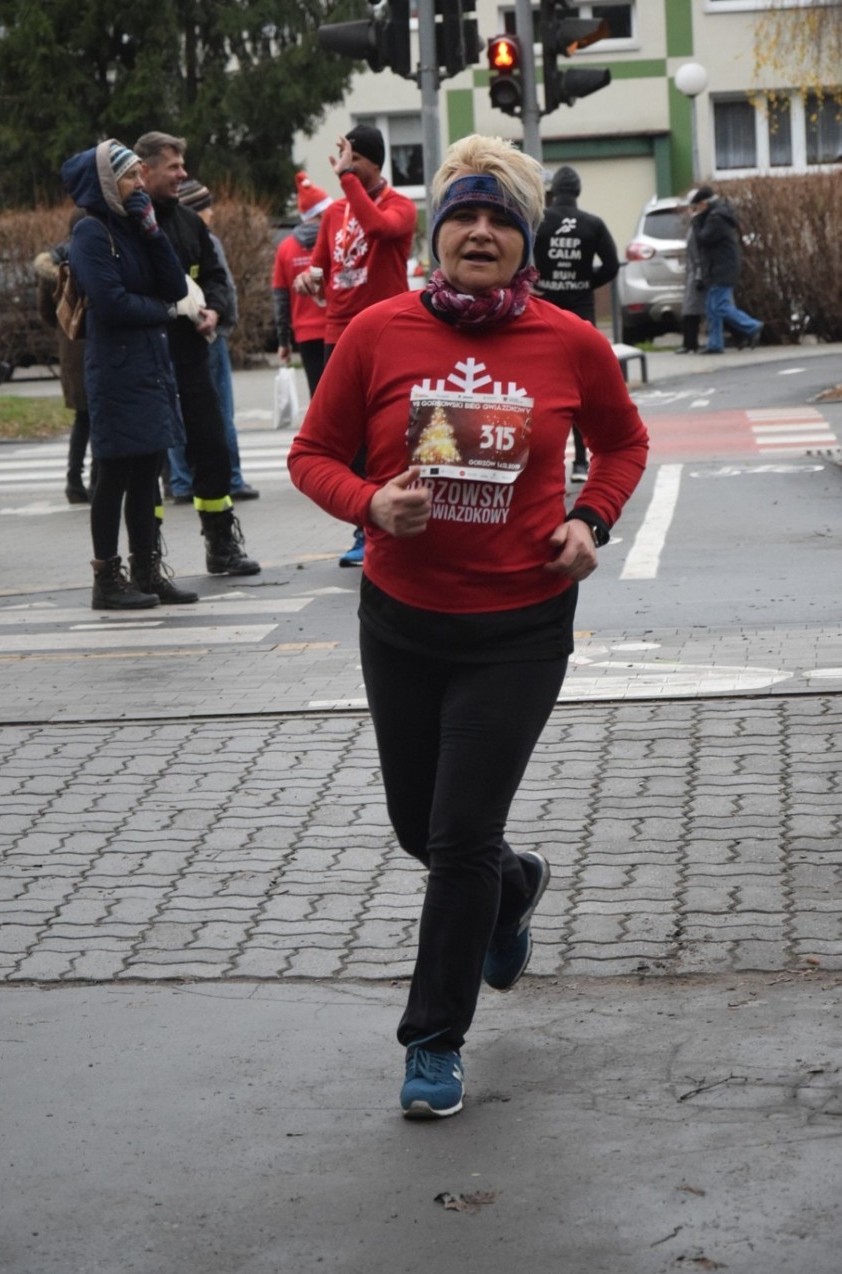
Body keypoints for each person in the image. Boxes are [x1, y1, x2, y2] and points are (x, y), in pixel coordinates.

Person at [288, 134, 649, 1119]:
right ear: (438, 232)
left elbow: (621, 443)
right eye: (464, 216)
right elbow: (312, 453)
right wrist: (369, 503)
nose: (480, 232)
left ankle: (434, 1038)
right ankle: (515, 884)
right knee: (424, 827)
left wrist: (590, 519)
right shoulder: (375, 333)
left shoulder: (568, 341)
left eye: (500, 219)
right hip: (402, 622)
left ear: (523, 239)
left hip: (520, 628)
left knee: (457, 835)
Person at [60, 139, 196, 609]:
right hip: (117, 372)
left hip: (149, 367)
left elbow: (176, 286)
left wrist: (152, 231)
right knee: (113, 475)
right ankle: (107, 580)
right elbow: (111, 302)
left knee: (146, 474)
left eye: (141, 176)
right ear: (107, 183)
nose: (141, 184)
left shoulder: (134, 226)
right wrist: (160, 311)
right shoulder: (91, 232)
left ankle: (146, 571)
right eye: (131, 177)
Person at [133, 131, 260, 575]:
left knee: (212, 446)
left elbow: (215, 277)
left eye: (183, 164)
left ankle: (221, 543)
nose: (183, 173)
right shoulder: (126, 224)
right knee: (148, 458)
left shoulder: (190, 224)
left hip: (190, 354)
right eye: (174, 166)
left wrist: (215, 309)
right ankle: (146, 557)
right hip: (145, 359)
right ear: (144, 169)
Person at [293, 124, 417, 568]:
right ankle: (363, 526)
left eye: (351, 161)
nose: (343, 169)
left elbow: (380, 228)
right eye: (342, 161)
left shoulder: (400, 206)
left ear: (368, 162)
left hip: (387, 331)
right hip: (337, 332)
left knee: (386, 429)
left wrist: (347, 180)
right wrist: (307, 278)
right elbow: (321, 267)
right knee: (349, 438)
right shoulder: (333, 215)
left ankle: (387, 520)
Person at [165, 178, 260, 504]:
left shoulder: (166, 236)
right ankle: (231, 478)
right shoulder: (205, 238)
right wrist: (224, 319)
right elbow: (224, 284)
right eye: (206, 207)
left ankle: (180, 482)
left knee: (177, 409)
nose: (212, 213)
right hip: (209, 332)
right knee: (220, 411)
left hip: (177, 332)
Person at [533, 165, 620, 484]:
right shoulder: (593, 224)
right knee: (578, 388)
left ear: (553, 192)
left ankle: (546, 460)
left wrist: (540, 282)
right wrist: (584, 282)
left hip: (545, 310)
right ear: (578, 192)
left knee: (542, 386)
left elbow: (519, 256)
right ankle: (582, 462)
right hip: (581, 314)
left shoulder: (539, 220)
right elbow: (611, 266)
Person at [33, 209, 95, 503]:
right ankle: (98, 480)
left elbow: (46, 311)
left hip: (70, 349)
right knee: (102, 416)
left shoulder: (54, 264)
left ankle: (73, 480)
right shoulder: (96, 256)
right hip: (95, 344)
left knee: (83, 419)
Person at [272, 171, 333, 401]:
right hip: (337, 327)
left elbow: (280, 298)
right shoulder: (333, 240)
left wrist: (283, 341)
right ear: (322, 212)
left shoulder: (285, 248)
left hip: (306, 334)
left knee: (318, 397)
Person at [690, 184, 763, 355]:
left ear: (704, 203)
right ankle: (715, 344)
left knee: (720, 306)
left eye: (697, 206)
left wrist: (695, 220)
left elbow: (704, 239)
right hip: (718, 268)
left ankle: (752, 326)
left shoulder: (717, 218)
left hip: (722, 269)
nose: (696, 210)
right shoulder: (716, 215)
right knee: (711, 307)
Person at [675, 203, 705, 353]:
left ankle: (690, 343)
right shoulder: (696, 224)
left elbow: (697, 251)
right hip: (693, 272)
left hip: (697, 272)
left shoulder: (698, 223)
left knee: (692, 309)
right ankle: (689, 343)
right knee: (690, 309)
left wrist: (699, 273)